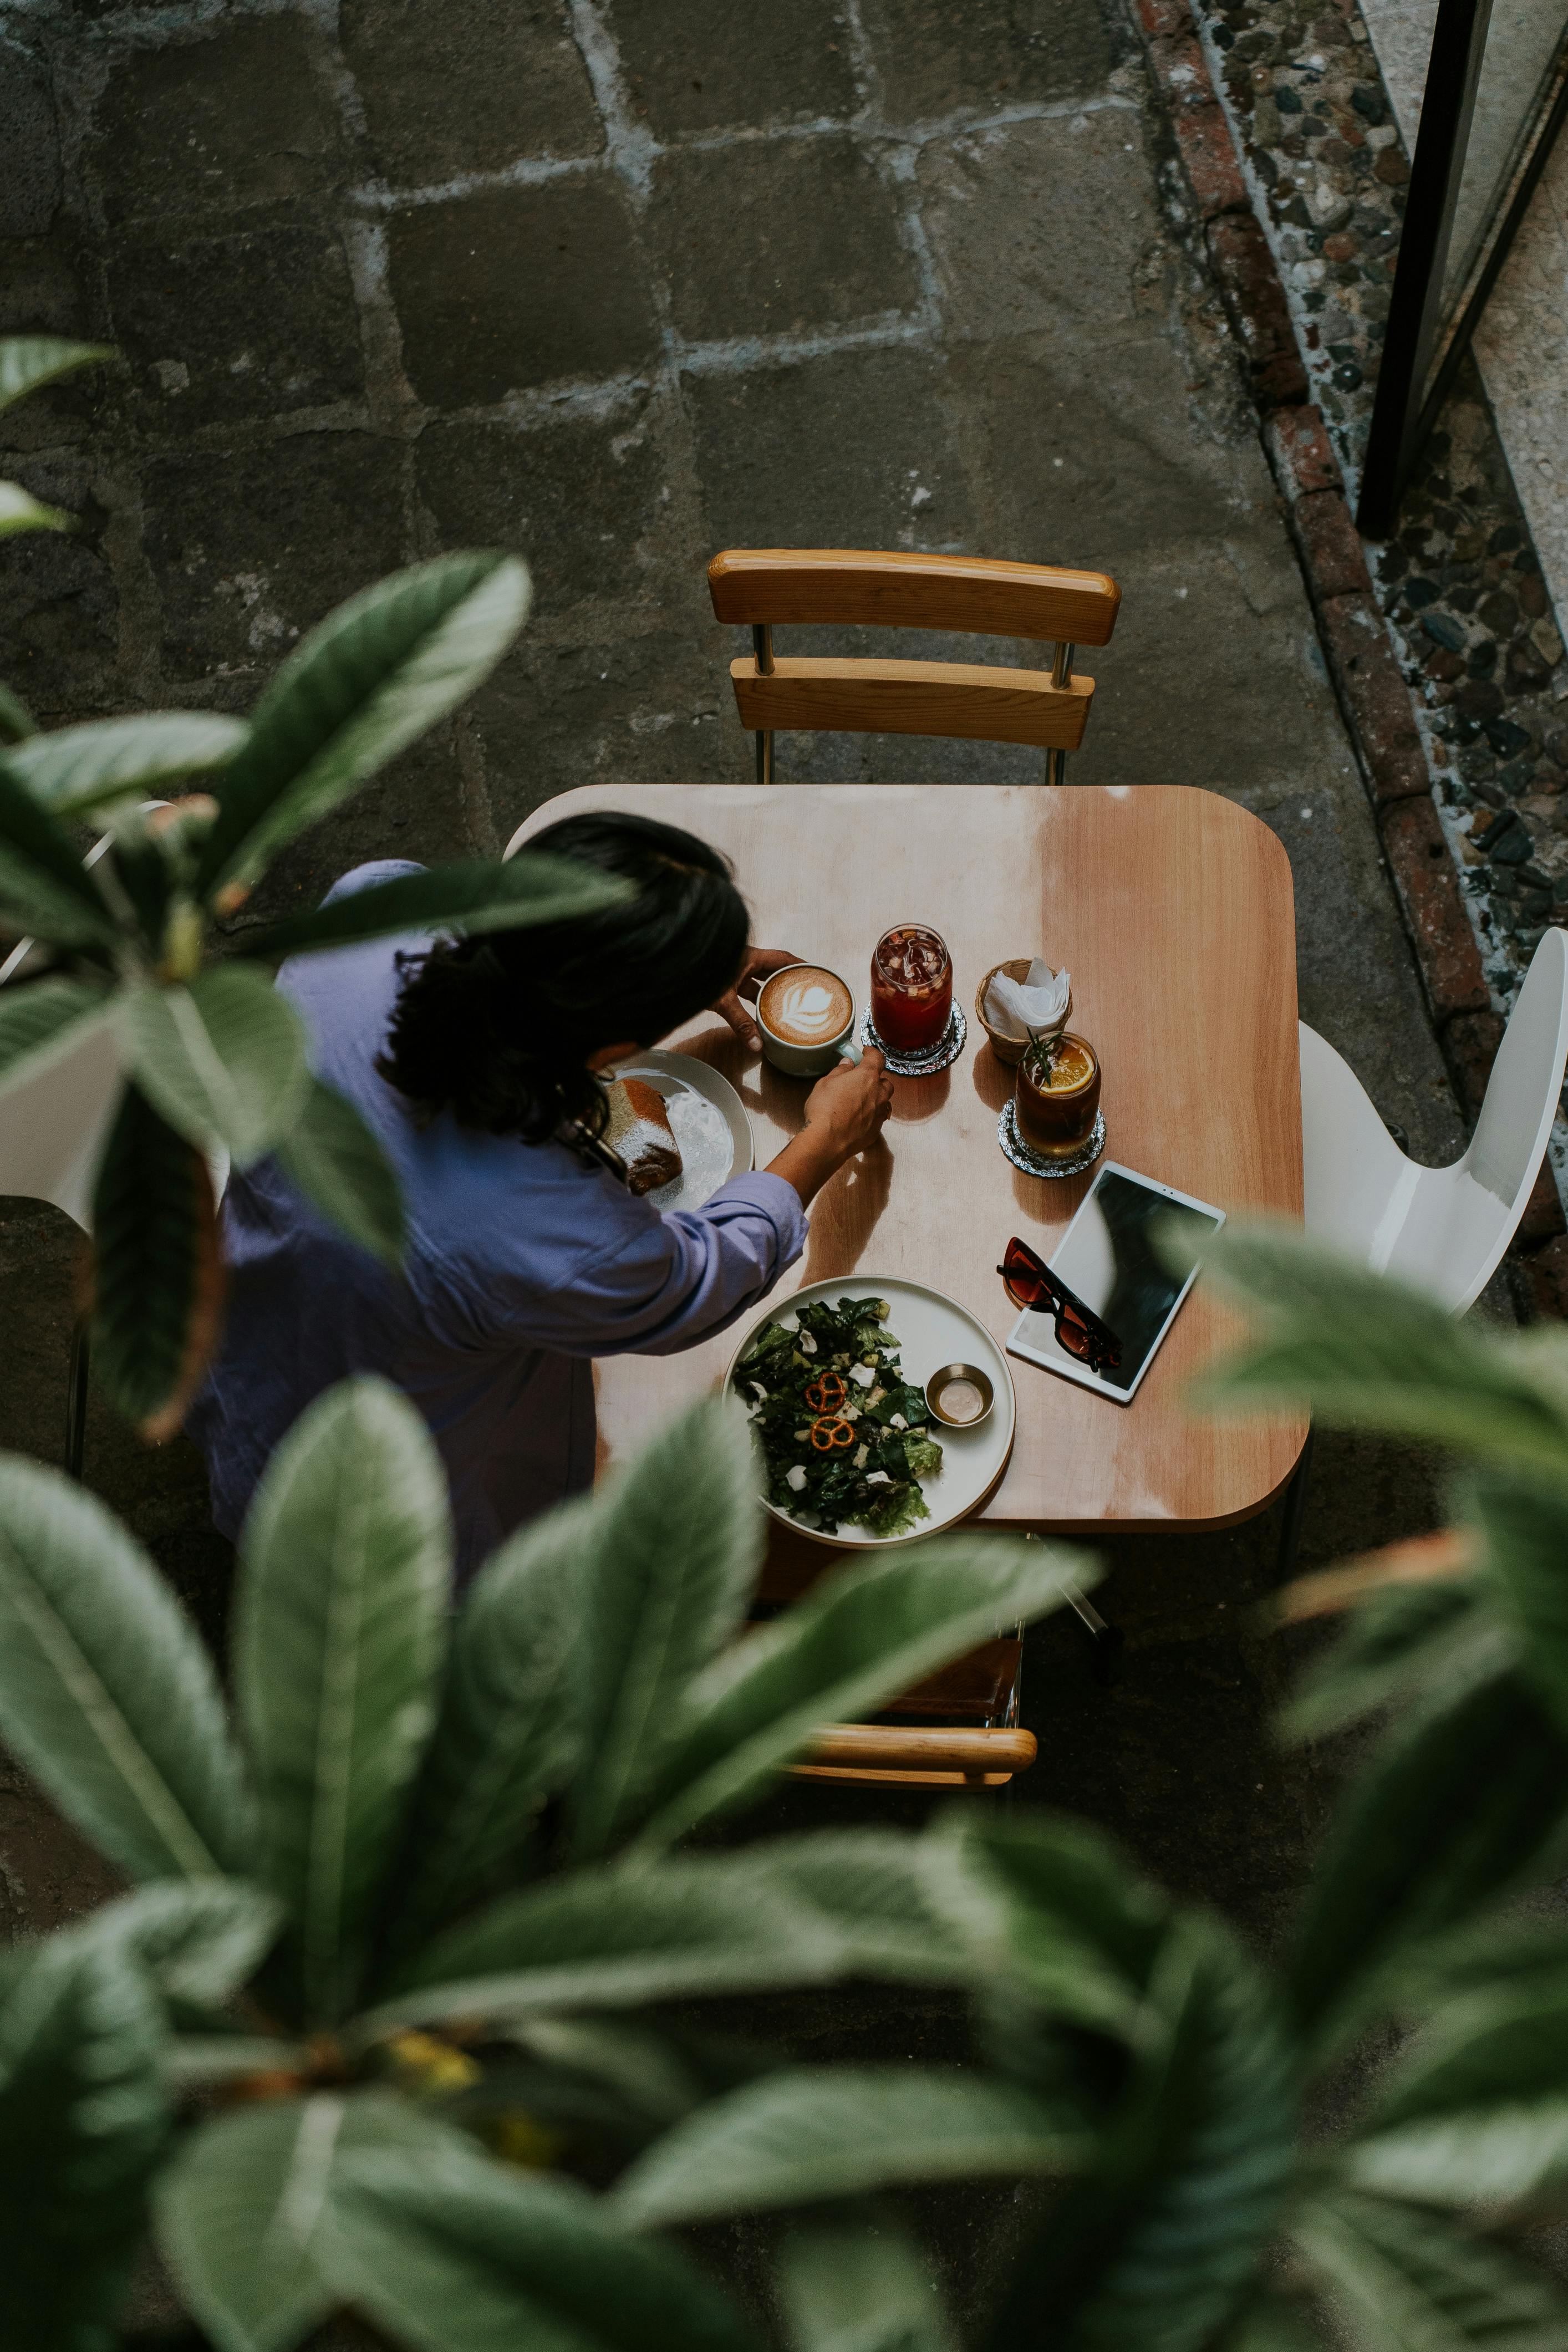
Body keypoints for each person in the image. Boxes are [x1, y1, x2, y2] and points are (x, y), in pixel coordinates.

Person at [187, 810, 892, 1580]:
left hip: (233, 1332)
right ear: (614, 1051)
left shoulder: (374, 910)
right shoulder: (566, 1234)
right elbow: (698, 1277)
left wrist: (660, 975)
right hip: (366, 1496)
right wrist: (825, 1137)